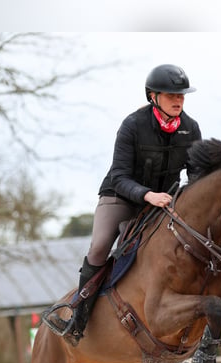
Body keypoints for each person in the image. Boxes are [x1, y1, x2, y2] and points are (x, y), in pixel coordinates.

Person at [46, 64, 202, 345]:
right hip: (120, 197)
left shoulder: (190, 129)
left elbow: (196, 174)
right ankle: (78, 317)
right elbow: (119, 177)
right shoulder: (133, 125)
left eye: (181, 95)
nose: (178, 100)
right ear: (153, 96)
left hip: (161, 203)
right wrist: (147, 195)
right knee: (100, 246)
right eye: (171, 95)